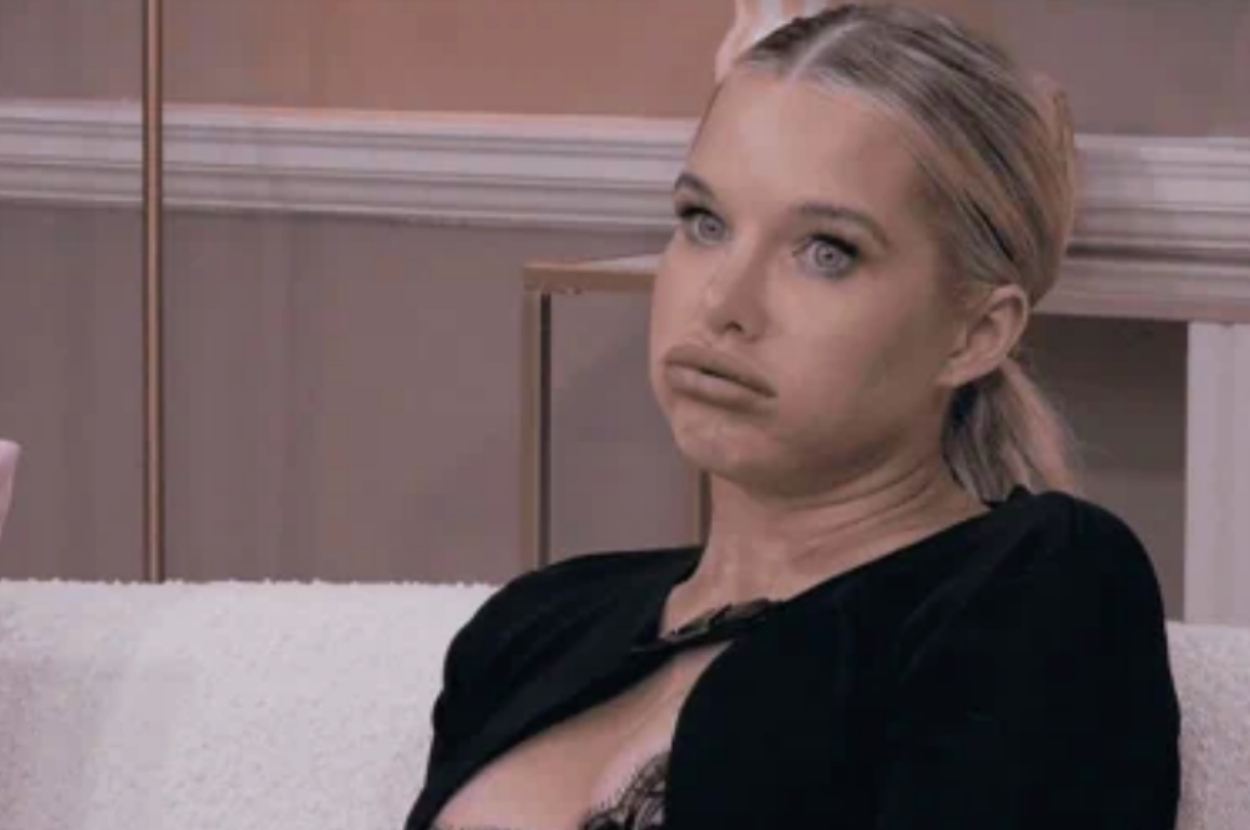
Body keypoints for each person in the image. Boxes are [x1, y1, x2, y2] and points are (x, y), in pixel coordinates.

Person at [405, 5, 1181, 829]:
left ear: (975, 333)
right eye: (704, 224)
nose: (724, 304)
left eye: (826, 252)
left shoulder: (1040, 586)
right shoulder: (534, 626)